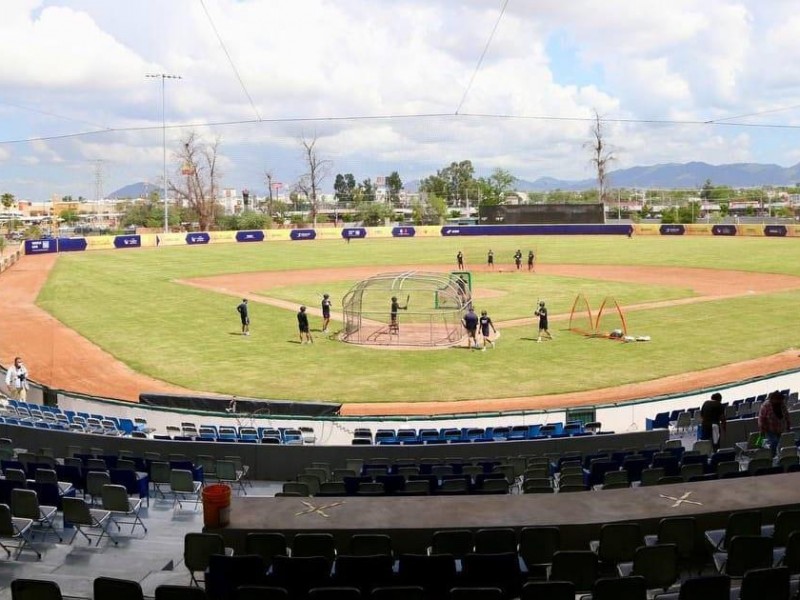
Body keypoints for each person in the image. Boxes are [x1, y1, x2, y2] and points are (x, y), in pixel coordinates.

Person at [758, 390, 790, 456]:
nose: (780, 403)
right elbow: (761, 419)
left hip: (779, 428)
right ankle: (771, 456)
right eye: (778, 401)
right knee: (774, 442)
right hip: (768, 428)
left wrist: (788, 426)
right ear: (773, 400)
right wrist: (762, 430)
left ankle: (773, 454)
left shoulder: (781, 404)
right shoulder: (765, 406)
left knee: (777, 442)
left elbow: (786, 415)